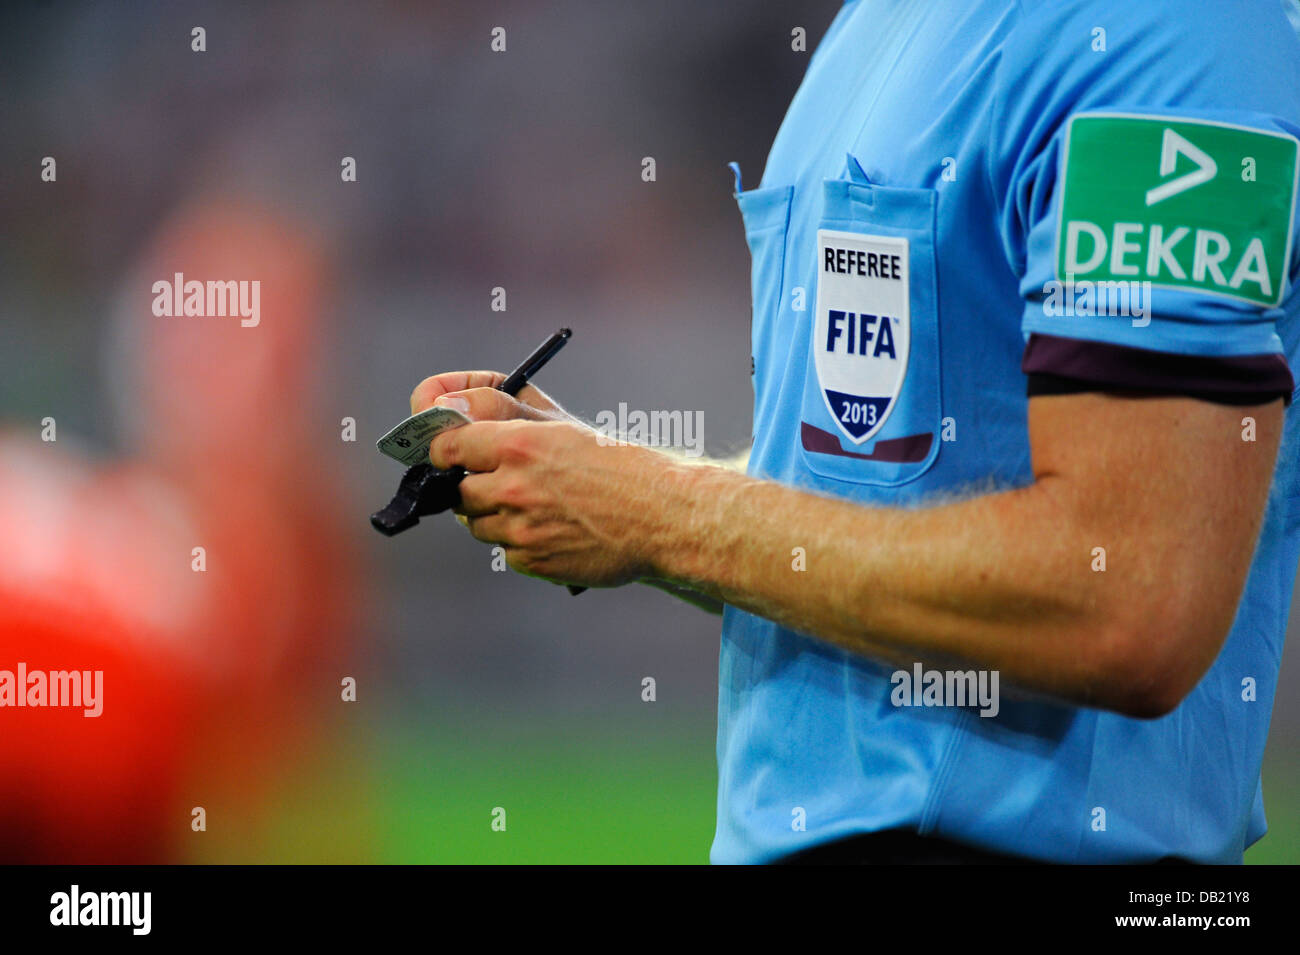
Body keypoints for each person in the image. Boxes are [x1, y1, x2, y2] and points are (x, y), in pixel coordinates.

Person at [410, 0, 1300, 864]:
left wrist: (656, 513)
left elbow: (1128, 600)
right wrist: (605, 482)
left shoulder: (1176, 34)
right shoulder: (870, 26)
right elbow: (861, 518)